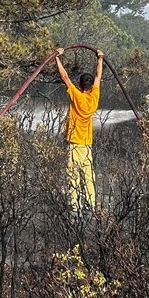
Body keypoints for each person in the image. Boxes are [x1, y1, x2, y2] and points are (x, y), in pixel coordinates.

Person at [55, 47, 103, 211]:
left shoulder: (77, 95)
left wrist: (57, 58)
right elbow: (98, 76)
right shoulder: (94, 97)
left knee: (73, 176)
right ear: (90, 86)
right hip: (87, 146)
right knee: (88, 177)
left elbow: (65, 77)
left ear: (81, 85)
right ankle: (91, 204)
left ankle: (74, 206)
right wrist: (100, 59)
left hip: (74, 144)